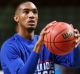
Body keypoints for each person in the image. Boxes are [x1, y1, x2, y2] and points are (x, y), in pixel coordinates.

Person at [0, 1, 80, 74]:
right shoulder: (9, 47)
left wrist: (74, 44)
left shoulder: (48, 42)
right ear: (16, 18)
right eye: (26, 12)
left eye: (34, 12)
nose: (31, 15)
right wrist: (38, 46)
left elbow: (75, 63)